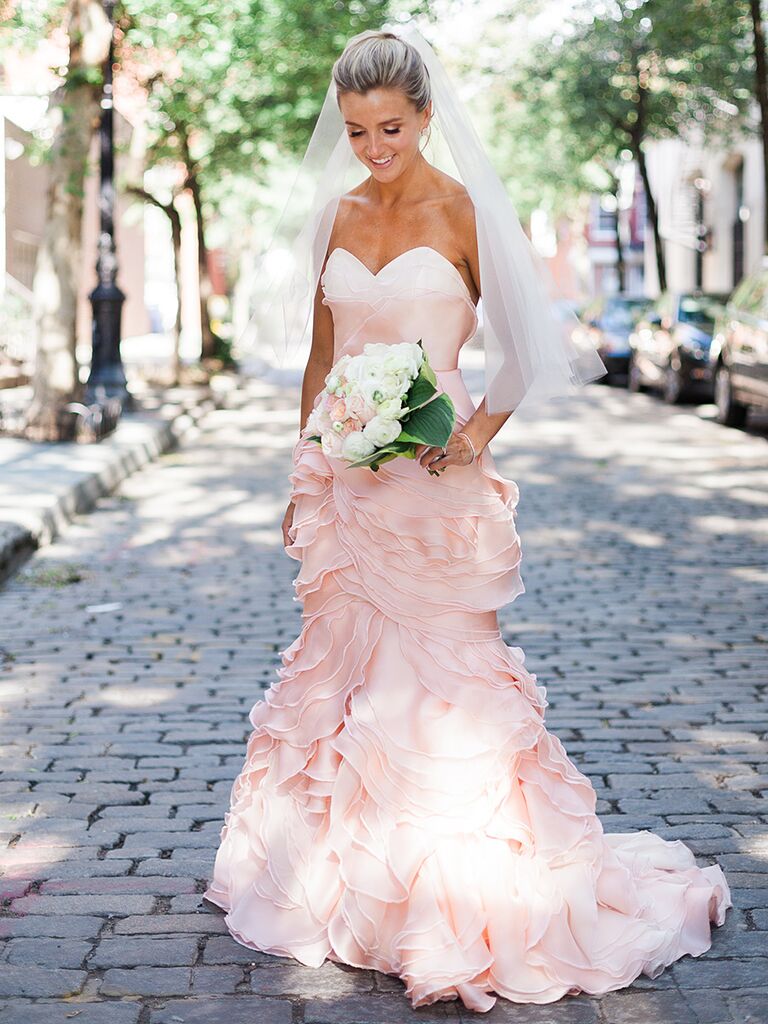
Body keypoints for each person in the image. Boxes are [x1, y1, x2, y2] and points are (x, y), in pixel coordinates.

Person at [203, 28, 732, 1013]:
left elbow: (527, 346)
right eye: (357, 132)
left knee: (451, 690)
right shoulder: (336, 213)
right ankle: (358, 887)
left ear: (426, 115)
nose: (372, 148)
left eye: (390, 128)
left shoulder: (466, 211)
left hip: (438, 495)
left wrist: (477, 433)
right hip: (352, 494)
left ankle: (466, 889)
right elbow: (323, 361)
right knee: (347, 680)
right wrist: (304, 463)